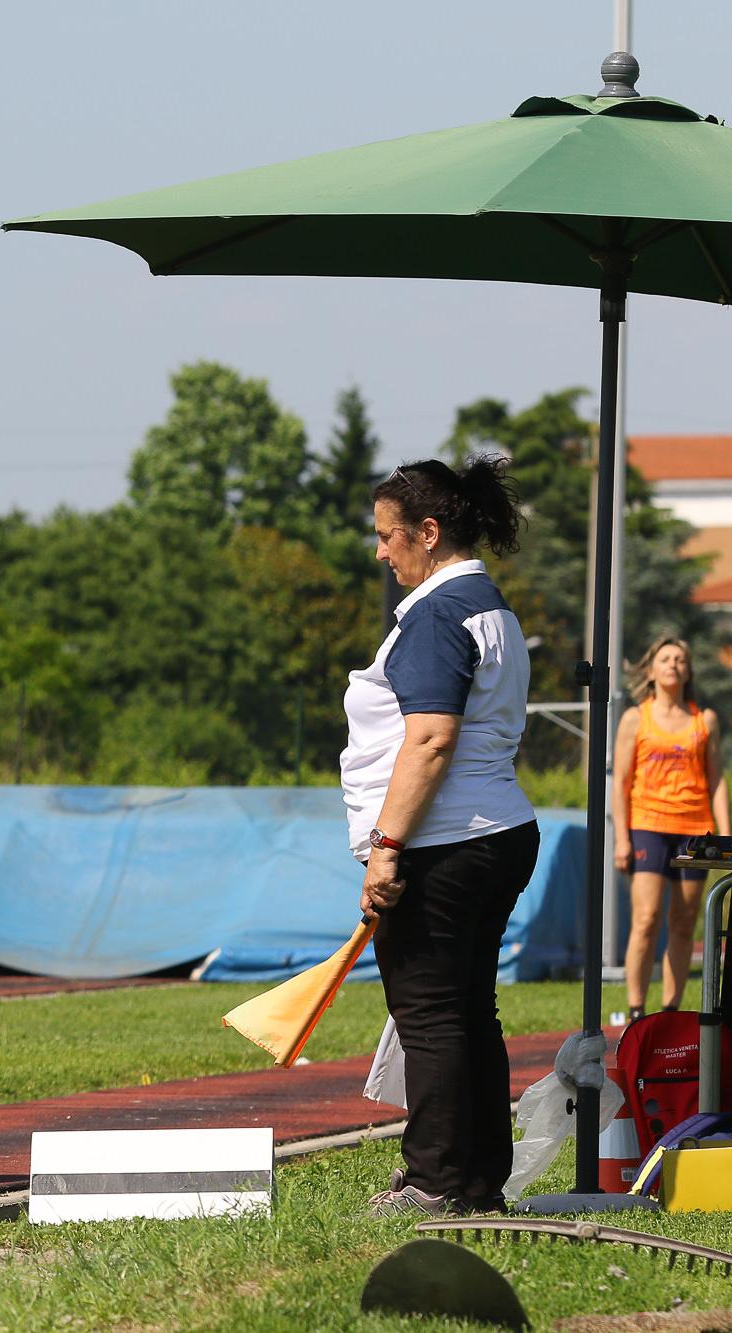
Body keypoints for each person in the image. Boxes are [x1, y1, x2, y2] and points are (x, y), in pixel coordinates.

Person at [344, 455, 538, 1217]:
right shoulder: (490, 604)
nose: (380, 552)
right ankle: (477, 1181)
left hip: (445, 840)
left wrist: (387, 846)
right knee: (468, 1010)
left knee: (429, 1014)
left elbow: (429, 740)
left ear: (427, 532)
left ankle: (431, 1181)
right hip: (498, 831)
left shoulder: (435, 612)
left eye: (387, 535)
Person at [613, 634, 730, 1021]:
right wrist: (622, 840)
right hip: (648, 825)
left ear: (688, 670)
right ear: (651, 670)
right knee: (646, 919)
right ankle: (636, 1013)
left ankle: (670, 1013)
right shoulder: (636, 718)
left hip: (695, 829)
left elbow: (716, 780)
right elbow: (621, 782)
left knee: (683, 923)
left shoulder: (704, 720)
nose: (673, 665)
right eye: (665, 659)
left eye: (680, 659)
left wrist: (725, 836)